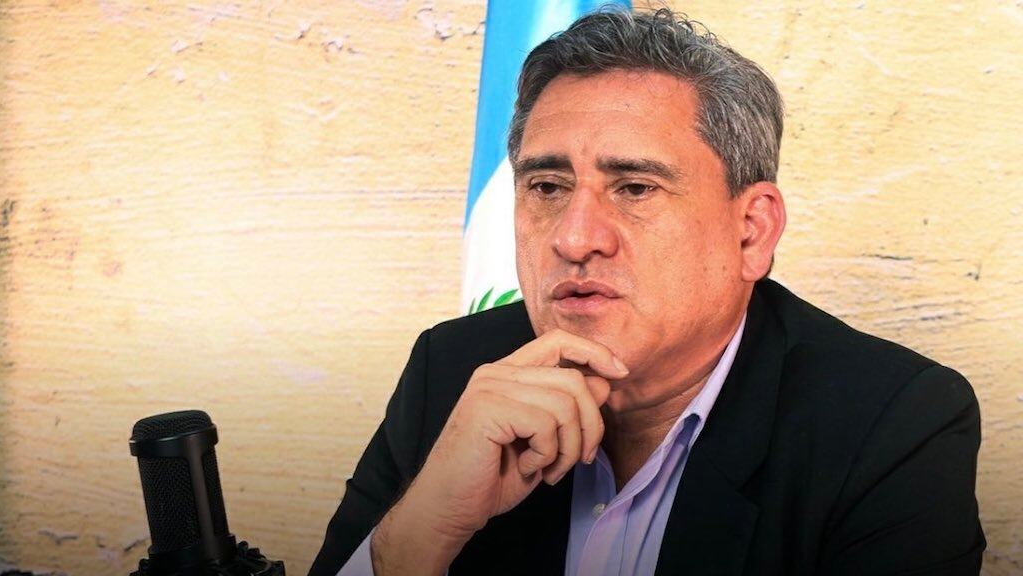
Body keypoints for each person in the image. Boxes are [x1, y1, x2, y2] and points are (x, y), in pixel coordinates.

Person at [309, 8, 984, 576]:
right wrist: (421, 531)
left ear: (751, 232)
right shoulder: (453, 373)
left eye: (634, 188)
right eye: (547, 187)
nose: (574, 238)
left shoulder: (891, 423)